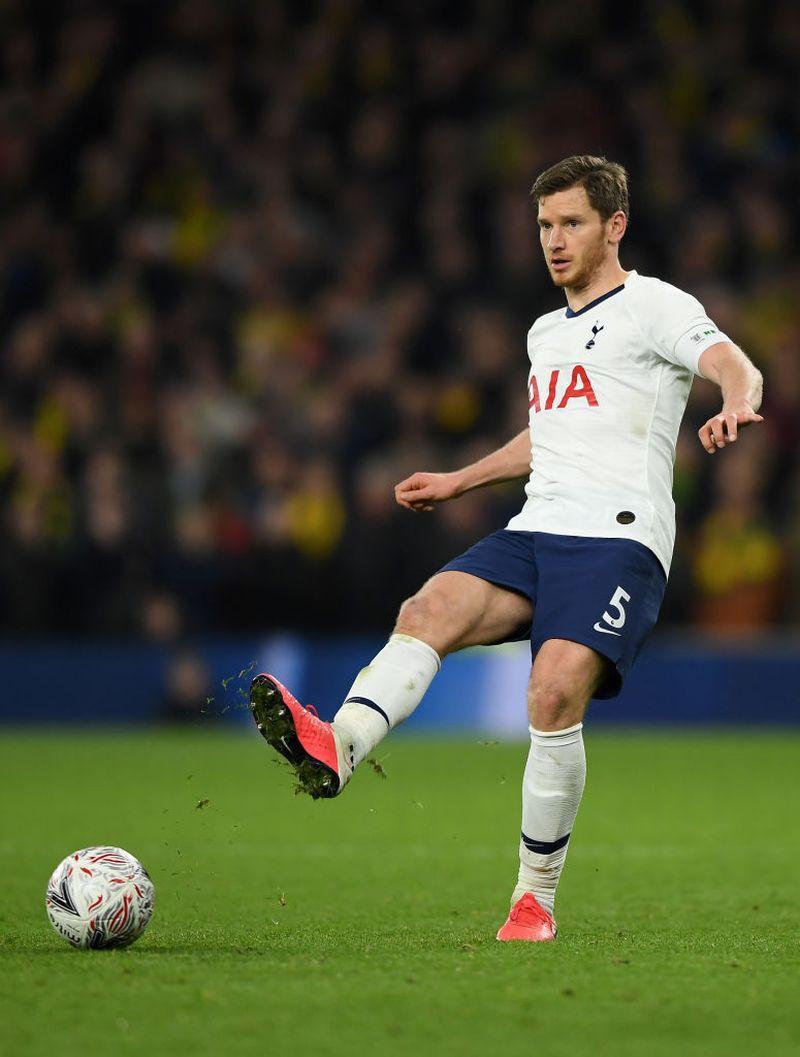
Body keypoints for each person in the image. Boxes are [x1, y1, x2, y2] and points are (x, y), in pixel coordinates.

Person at [248, 155, 764, 942]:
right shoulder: (544, 333)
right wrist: (461, 479)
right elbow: (547, 435)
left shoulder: (654, 304)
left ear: (614, 226)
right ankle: (338, 746)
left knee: (552, 692)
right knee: (427, 608)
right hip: (537, 527)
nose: (554, 240)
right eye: (545, 225)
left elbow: (733, 362)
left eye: (572, 223)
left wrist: (735, 403)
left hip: (618, 538)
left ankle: (534, 899)